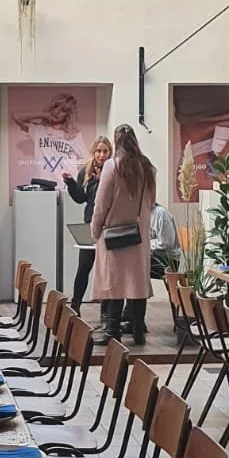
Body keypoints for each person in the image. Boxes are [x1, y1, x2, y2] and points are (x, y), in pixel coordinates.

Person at [91, 123, 156, 346]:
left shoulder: (112, 167)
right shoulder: (146, 167)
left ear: (116, 142)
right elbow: (151, 202)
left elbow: (101, 204)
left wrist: (95, 229)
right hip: (138, 236)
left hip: (114, 236)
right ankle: (138, 331)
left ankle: (112, 331)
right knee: (137, 285)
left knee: (114, 284)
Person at [62, 135, 112, 315]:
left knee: (105, 271)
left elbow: (108, 198)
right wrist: (70, 183)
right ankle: (75, 305)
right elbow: (81, 198)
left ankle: (106, 312)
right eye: (98, 151)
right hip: (89, 224)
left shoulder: (112, 171)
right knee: (83, 266)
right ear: (93, 152)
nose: (101, 155)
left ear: (110, 153)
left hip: (108, 227)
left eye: (105, 151)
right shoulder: (86, 171)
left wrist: (101, 181)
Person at [149, 200, 180, 279]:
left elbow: (166, 243)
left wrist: (146, 244)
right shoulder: (144, 214)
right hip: (154, 256)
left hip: (168, 260)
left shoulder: (161, 213)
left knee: (135, 264)